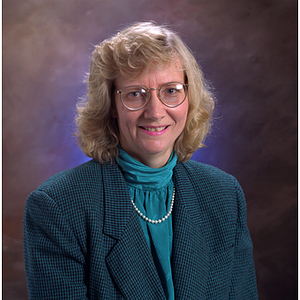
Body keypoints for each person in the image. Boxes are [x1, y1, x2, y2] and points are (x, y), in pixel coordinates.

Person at [23, 21, 258, 299]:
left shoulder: (223, 196)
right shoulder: (58, 208)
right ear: (111, 105)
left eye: (171, 90)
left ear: (188, 98)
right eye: (136, 94)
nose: (155, 112)